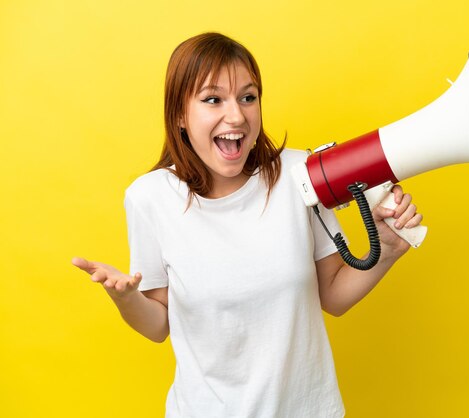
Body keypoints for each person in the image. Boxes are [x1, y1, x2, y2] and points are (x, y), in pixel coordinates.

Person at [72, 32, 423, 418]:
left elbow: (334, 297)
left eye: (248, 97)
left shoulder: (298, 173)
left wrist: (386, 250)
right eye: (212, 99)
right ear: (179, 115)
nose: (237, 115)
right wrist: (125, 299)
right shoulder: (149, 197)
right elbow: (158, 325)